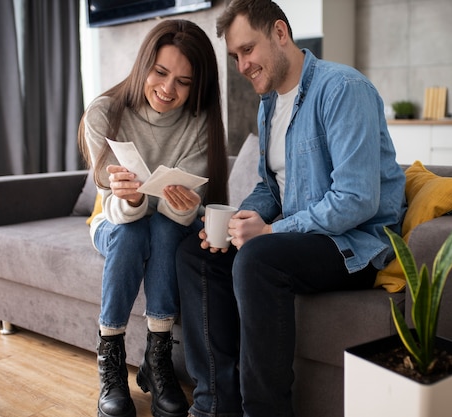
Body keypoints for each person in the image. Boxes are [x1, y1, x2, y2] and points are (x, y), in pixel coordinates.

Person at [175, 1, 407, 416]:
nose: (242, 65)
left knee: (258, 259)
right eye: (235, 56)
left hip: (354, 243)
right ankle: (214, 406)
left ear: (280, 33)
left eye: (248, 50)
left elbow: (357, 199)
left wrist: (269, 233)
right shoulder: (270, 105)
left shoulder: (342, 88)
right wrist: (234, 222)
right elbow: (272, 187)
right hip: (306, 238)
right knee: (197, 253)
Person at [77, 19, 228, 417]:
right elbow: (111, 205)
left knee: (161, 225)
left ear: (197, 86)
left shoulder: (198, 124)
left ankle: (156, 359)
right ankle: (110, 361)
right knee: (131, 232)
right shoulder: (104, 113)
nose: (167, 89)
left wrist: (182, 206)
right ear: (143, 64)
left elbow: (185, 213)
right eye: (160, 72)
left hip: (167, 224)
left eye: (183, 81)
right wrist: (130, 201)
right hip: (113, 220)